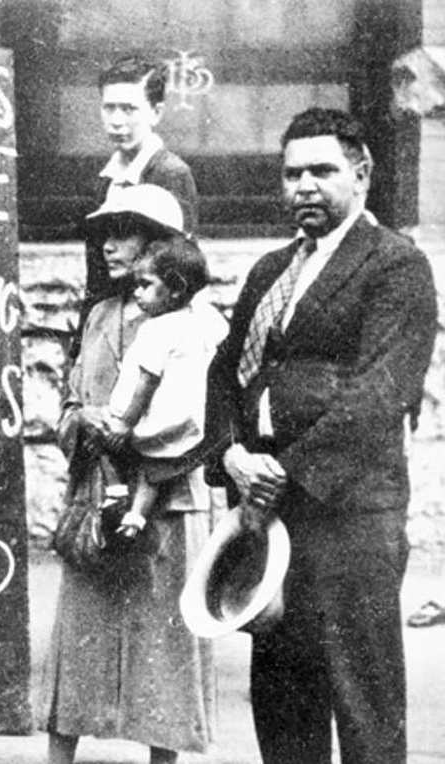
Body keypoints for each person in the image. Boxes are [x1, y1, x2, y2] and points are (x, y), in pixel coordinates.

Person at [204, 107, 437, 764]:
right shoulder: (269, 270)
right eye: (291, 174)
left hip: (349, 513)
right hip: (266, 510)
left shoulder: (395, 265)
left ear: (360, 174)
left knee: (362, 696)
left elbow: (380, 392)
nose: (303, 186)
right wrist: (230, 455)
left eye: (321, 171)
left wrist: (285, 473)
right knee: (282, 695)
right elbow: (226, 372)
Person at [46, 184, 214, 764]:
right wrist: (84, 420)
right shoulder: (97, 316)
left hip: (165, 500)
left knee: (162, 646)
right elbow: (66, 407)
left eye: (126, 232)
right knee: (79, 644)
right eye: (105, 234)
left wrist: (144, 442)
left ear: (162, 247)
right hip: (96, 498)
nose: (111, 246)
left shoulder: (198, 325)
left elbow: (208, 419)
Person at [101, 232, 226, 539]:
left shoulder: (157, 329)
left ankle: (119, 496)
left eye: (146, 285)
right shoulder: (205, 320)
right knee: (159, 469)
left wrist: (125, 423)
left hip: (156, 415)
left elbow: (146, 382)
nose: (138, 293)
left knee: (114, 441)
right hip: (189, 422)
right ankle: (137, 516)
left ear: (175, 290)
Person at [81, 56, 198, 326]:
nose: (116, 121)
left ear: (156, 112)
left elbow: (179, 270)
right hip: (108, 324)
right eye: (109, 108)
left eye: (129, 109)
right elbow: (96, 279)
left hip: (153, 323)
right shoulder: (106, 179)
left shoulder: (170, 173)